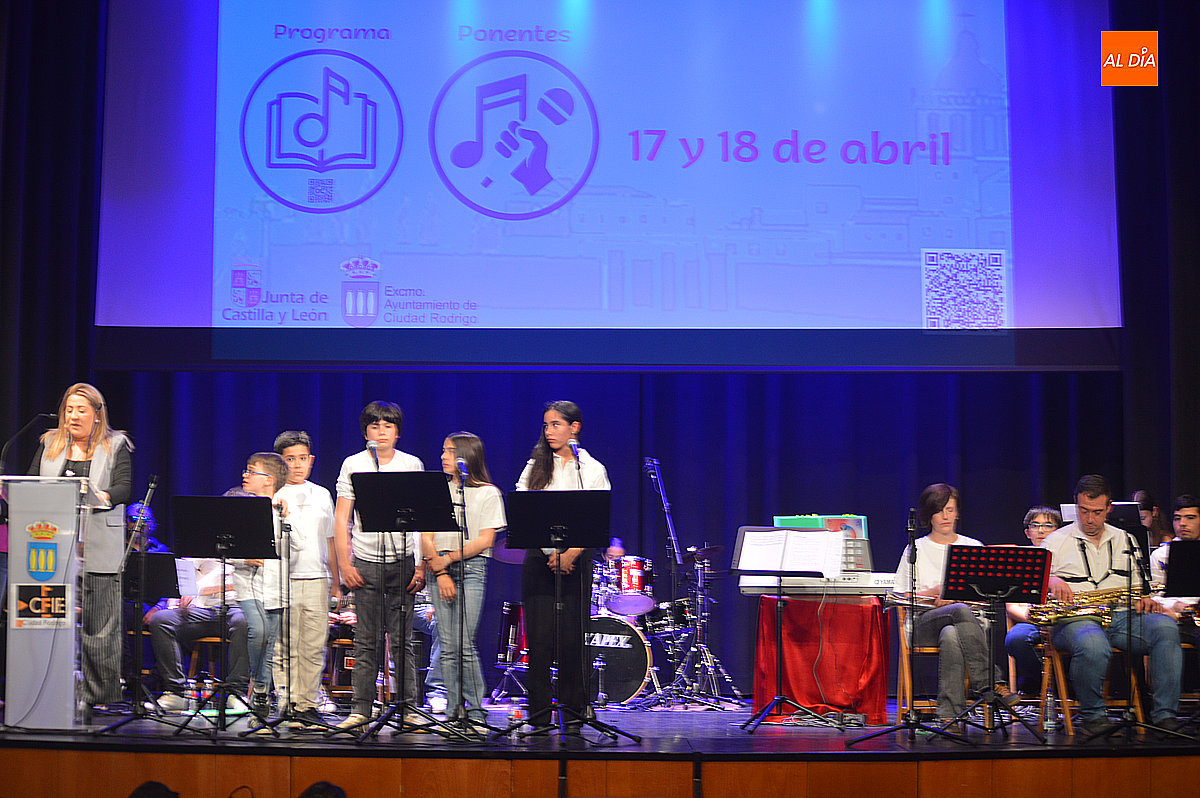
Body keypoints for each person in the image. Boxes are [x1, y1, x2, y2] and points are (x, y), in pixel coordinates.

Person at [1041, 474, 1184, 737]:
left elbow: (1138, 585)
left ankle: (1164, 716)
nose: (1090, 519)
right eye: (1084, 511)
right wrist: (1052, 580)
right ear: (1075, 505)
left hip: (1120, 615)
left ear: (1109, 508)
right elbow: (1036, 583)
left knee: (1165, 628)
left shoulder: (1125, 539)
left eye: (1097, 512)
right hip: (1075, 619)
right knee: (1093, 643)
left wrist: (1143, 598)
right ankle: (1093, 717)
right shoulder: (1054, 542)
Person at [29, 383, 132, 709]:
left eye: (81, 410)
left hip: (99, 545)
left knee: (100, 628)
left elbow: (124, 487)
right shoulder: (50, 443)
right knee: (49, 623)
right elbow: (30, 482)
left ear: (97, 414)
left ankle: (99, 697)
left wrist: (104, 495)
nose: (73, 416)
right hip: (51, 549)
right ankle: (47, 690)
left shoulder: (116, 445)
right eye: (69, 409)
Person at [332, 401, 426, 729]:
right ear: (365, 432)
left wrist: (420, 565)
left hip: (402, 560)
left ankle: (408, 708)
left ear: (397, 432)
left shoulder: (411, 464)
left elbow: (421, 520)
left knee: (402, 640)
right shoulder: (354, 464)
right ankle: (360, 709)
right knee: (366, 640)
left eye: (388, 426)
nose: (381, 432)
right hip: (366, 560)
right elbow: (342, 518)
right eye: (375, 426)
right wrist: (345, 566)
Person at [516, 400, 609, 731]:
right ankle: (539, 716)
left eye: (555, 424)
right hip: (540, 563)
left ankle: (574, 713)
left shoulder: (592, 469)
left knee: (572, 641)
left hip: (576, 563)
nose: (549, 431)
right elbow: (524, 511)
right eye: (546, 425)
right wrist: (551, 552)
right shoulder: (535, 467)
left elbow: (597, 517)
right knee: (539, 642)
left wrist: (570, 553)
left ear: (575, 427)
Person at [892, 483, 1015, 722]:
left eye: (950, 510)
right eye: (939, 511)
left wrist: (959, 597)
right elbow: (903, 597)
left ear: (957, 512)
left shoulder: (973, 547)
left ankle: (949, 718)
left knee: (951, 634)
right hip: (924, 625)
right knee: (957, 610)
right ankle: (989, 682)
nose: (945, 516)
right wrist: (937, 593)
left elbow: (986, 599)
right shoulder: (916, 549)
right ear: (929, 515)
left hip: (968, 626)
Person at [421, 432, 504, 730]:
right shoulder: (436, 491)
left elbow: (485, 540)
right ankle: (454, 710)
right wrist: (440, 570)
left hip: (471, 569)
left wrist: (449, 560)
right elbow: (426, 537)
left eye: (449, 451)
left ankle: (476, 711)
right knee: (447, 645)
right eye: (443, 450)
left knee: (464, 644)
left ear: (465, 456)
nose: (442, 456)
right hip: (438, 568)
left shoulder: (488, 493)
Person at [272, 431, 336, 728]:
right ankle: (286, 701)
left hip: (317, 577)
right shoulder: (274, 494)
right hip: (282, 578)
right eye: (290, 459)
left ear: (311, 460)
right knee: (285, 645)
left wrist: (336, 581)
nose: (297, 465)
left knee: (313, 645)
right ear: (280, 462)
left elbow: (331, 539)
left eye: (302, 458)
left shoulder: (322, 494)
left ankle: (307, 704)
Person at [147, 557, 250, 712]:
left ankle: (236, 693)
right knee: (161, 620)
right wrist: (183, 594)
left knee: (244, 622)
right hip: (201, 609)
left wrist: (202, 588)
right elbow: (185, 570)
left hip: (236, 607)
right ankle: (176, 693)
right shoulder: (199, 548)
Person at [231, 452, 288, 719]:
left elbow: (298, 547)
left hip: (275, 586)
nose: (245, 475)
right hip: (248, 585)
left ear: (269, 480)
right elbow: (223, 549)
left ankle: (261, 693)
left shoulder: (284, 510)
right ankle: (259, 684)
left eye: (251, 471)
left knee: (270, 642)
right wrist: (244, 558)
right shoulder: (239, 510)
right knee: (259, 630)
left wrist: (286, 520)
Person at [1003, 506, 1061, 695]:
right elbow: (1011, 607)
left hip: (1063, 620)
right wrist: (1035, 619)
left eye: (1048, 525)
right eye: (1035, 525)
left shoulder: (1068, 558)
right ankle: (1053, 684)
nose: (1041, 530)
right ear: (1027, 532)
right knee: (1015, 639)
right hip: (1031, 621)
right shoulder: (1018, 560)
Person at [1149, 495, 1200, 644]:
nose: (1182, 523)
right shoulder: (1161, 555)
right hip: (1177, 620)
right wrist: (1176, 605)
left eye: (1190, 518)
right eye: (1177, 518)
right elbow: (1154, 596)